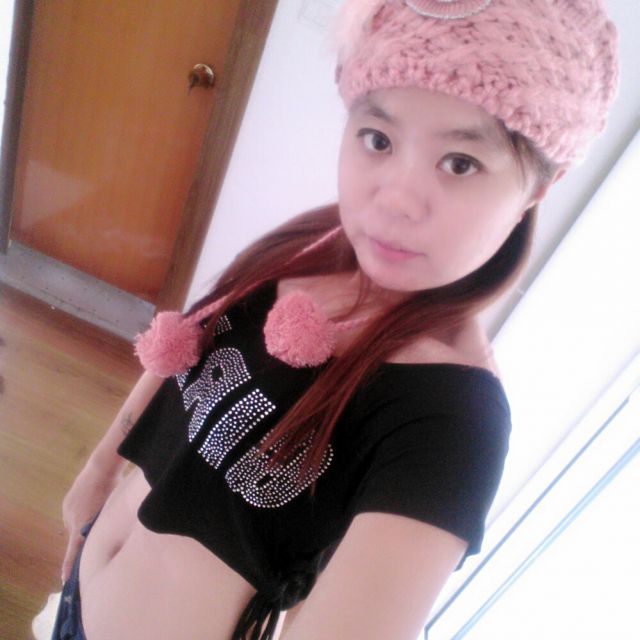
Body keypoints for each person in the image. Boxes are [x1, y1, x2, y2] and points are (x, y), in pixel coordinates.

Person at [42, 1, 619, 638]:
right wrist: (98, 470)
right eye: (379, 139)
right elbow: (182, 353)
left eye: (461, 162)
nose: (395, 199)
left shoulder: (454, 421)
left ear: (539, 187)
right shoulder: (305, 249)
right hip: (78, 591)